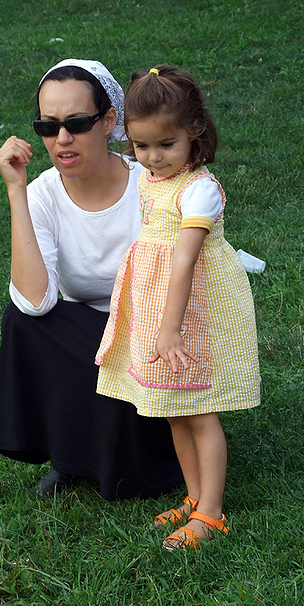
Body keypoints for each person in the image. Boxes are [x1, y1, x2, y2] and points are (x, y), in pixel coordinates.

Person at [0, 59, 184, 500]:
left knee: (107, 342)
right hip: (87, 344)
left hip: (156, 336)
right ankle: (71, 457)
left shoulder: (151, 185)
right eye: (47, 127)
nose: (62, 139)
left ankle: (151, 451)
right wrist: (18, 190)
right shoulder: (42, 194)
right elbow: (35, 302)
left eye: (76, 122)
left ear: (109, 119)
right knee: (24, 321)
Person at [95, 65, 260, 547]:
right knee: (174, 407)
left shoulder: (200, 190)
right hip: (155, 301)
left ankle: (212, 512)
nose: (152, 157)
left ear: (195, 132)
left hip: (193, 311)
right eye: (141, 146)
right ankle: (193, 497)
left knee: (201, 409)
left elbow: (184, 261)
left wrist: (169, 331)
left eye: (165, 145)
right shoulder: (150, 179)